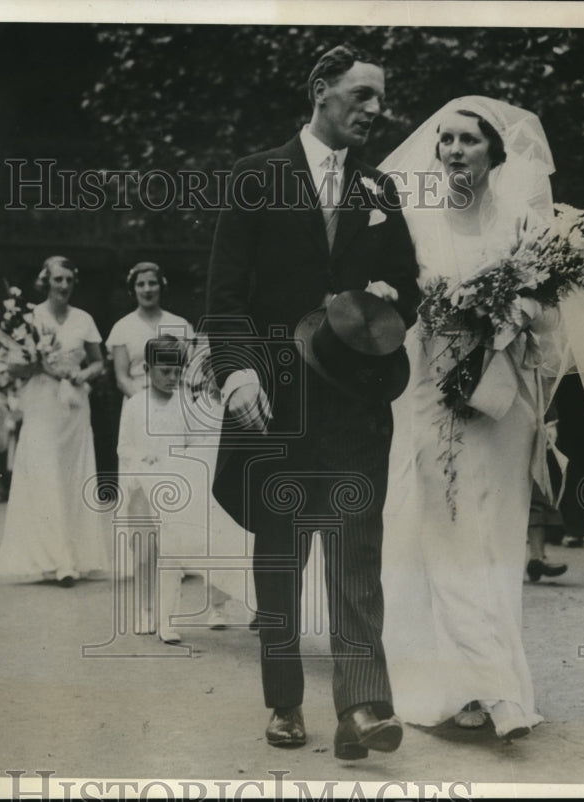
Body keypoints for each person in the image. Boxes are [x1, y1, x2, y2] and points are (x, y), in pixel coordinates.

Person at [378, 97, 584, 740]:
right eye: (444, 140)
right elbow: (396, 295)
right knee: (442, 531)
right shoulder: (415, 218)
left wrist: (518, 314)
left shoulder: (528, 226)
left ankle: (490, 681)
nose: (453, 151)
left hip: (502, 398)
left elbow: (553, 316)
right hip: (431, 393)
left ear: (495, 152)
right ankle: (481, 688)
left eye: (467, 140)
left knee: (493, 538)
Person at [204, 44, 421, 758]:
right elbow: (225, 300)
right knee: (281, 557)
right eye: (361, 95)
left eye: (379, 99)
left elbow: (408, 289)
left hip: (356, 404)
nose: (375, 110)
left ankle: (362, 707)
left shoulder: (380, 192)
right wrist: (237, 375)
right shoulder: (254, 178)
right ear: (320, 90)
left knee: (357, 554)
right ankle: (285, 702)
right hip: (275, 404)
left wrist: (392, 301)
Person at [0, 256, 108, 585]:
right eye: (58, 279)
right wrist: (39, 364)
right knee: (46, 476)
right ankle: (59, 560)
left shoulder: (83, 319)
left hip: (73, 406)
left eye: (69, 280)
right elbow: (14, 367)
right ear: (46, 281)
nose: (64, 286)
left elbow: (99, 363)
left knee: (71, 476)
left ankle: (75, 555)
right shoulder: (29, 317)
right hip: (41, 403)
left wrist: (80, 372)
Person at [117, 335, 208, 644]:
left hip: (174, 488)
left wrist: (182, 465)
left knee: (170, 554)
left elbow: (194, 444)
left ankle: (167, 618)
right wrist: (144, 460)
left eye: (178, 372)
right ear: (147, 368)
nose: (173, 378)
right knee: (144, 553)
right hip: (142, 486)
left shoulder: (185, 405)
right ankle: (144, 609)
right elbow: (124, 448)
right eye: (165, 371)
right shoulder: (134, 406)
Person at [107, 262, 195, 400]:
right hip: (137, 398)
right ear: (133, 289)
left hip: (176, 398)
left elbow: (190, 369)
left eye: (153, 283)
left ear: (161, 286)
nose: (147, 289)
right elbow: (122, 378)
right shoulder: (122, 327)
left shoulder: (180, 323)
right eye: (140, 284)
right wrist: (144, 403)